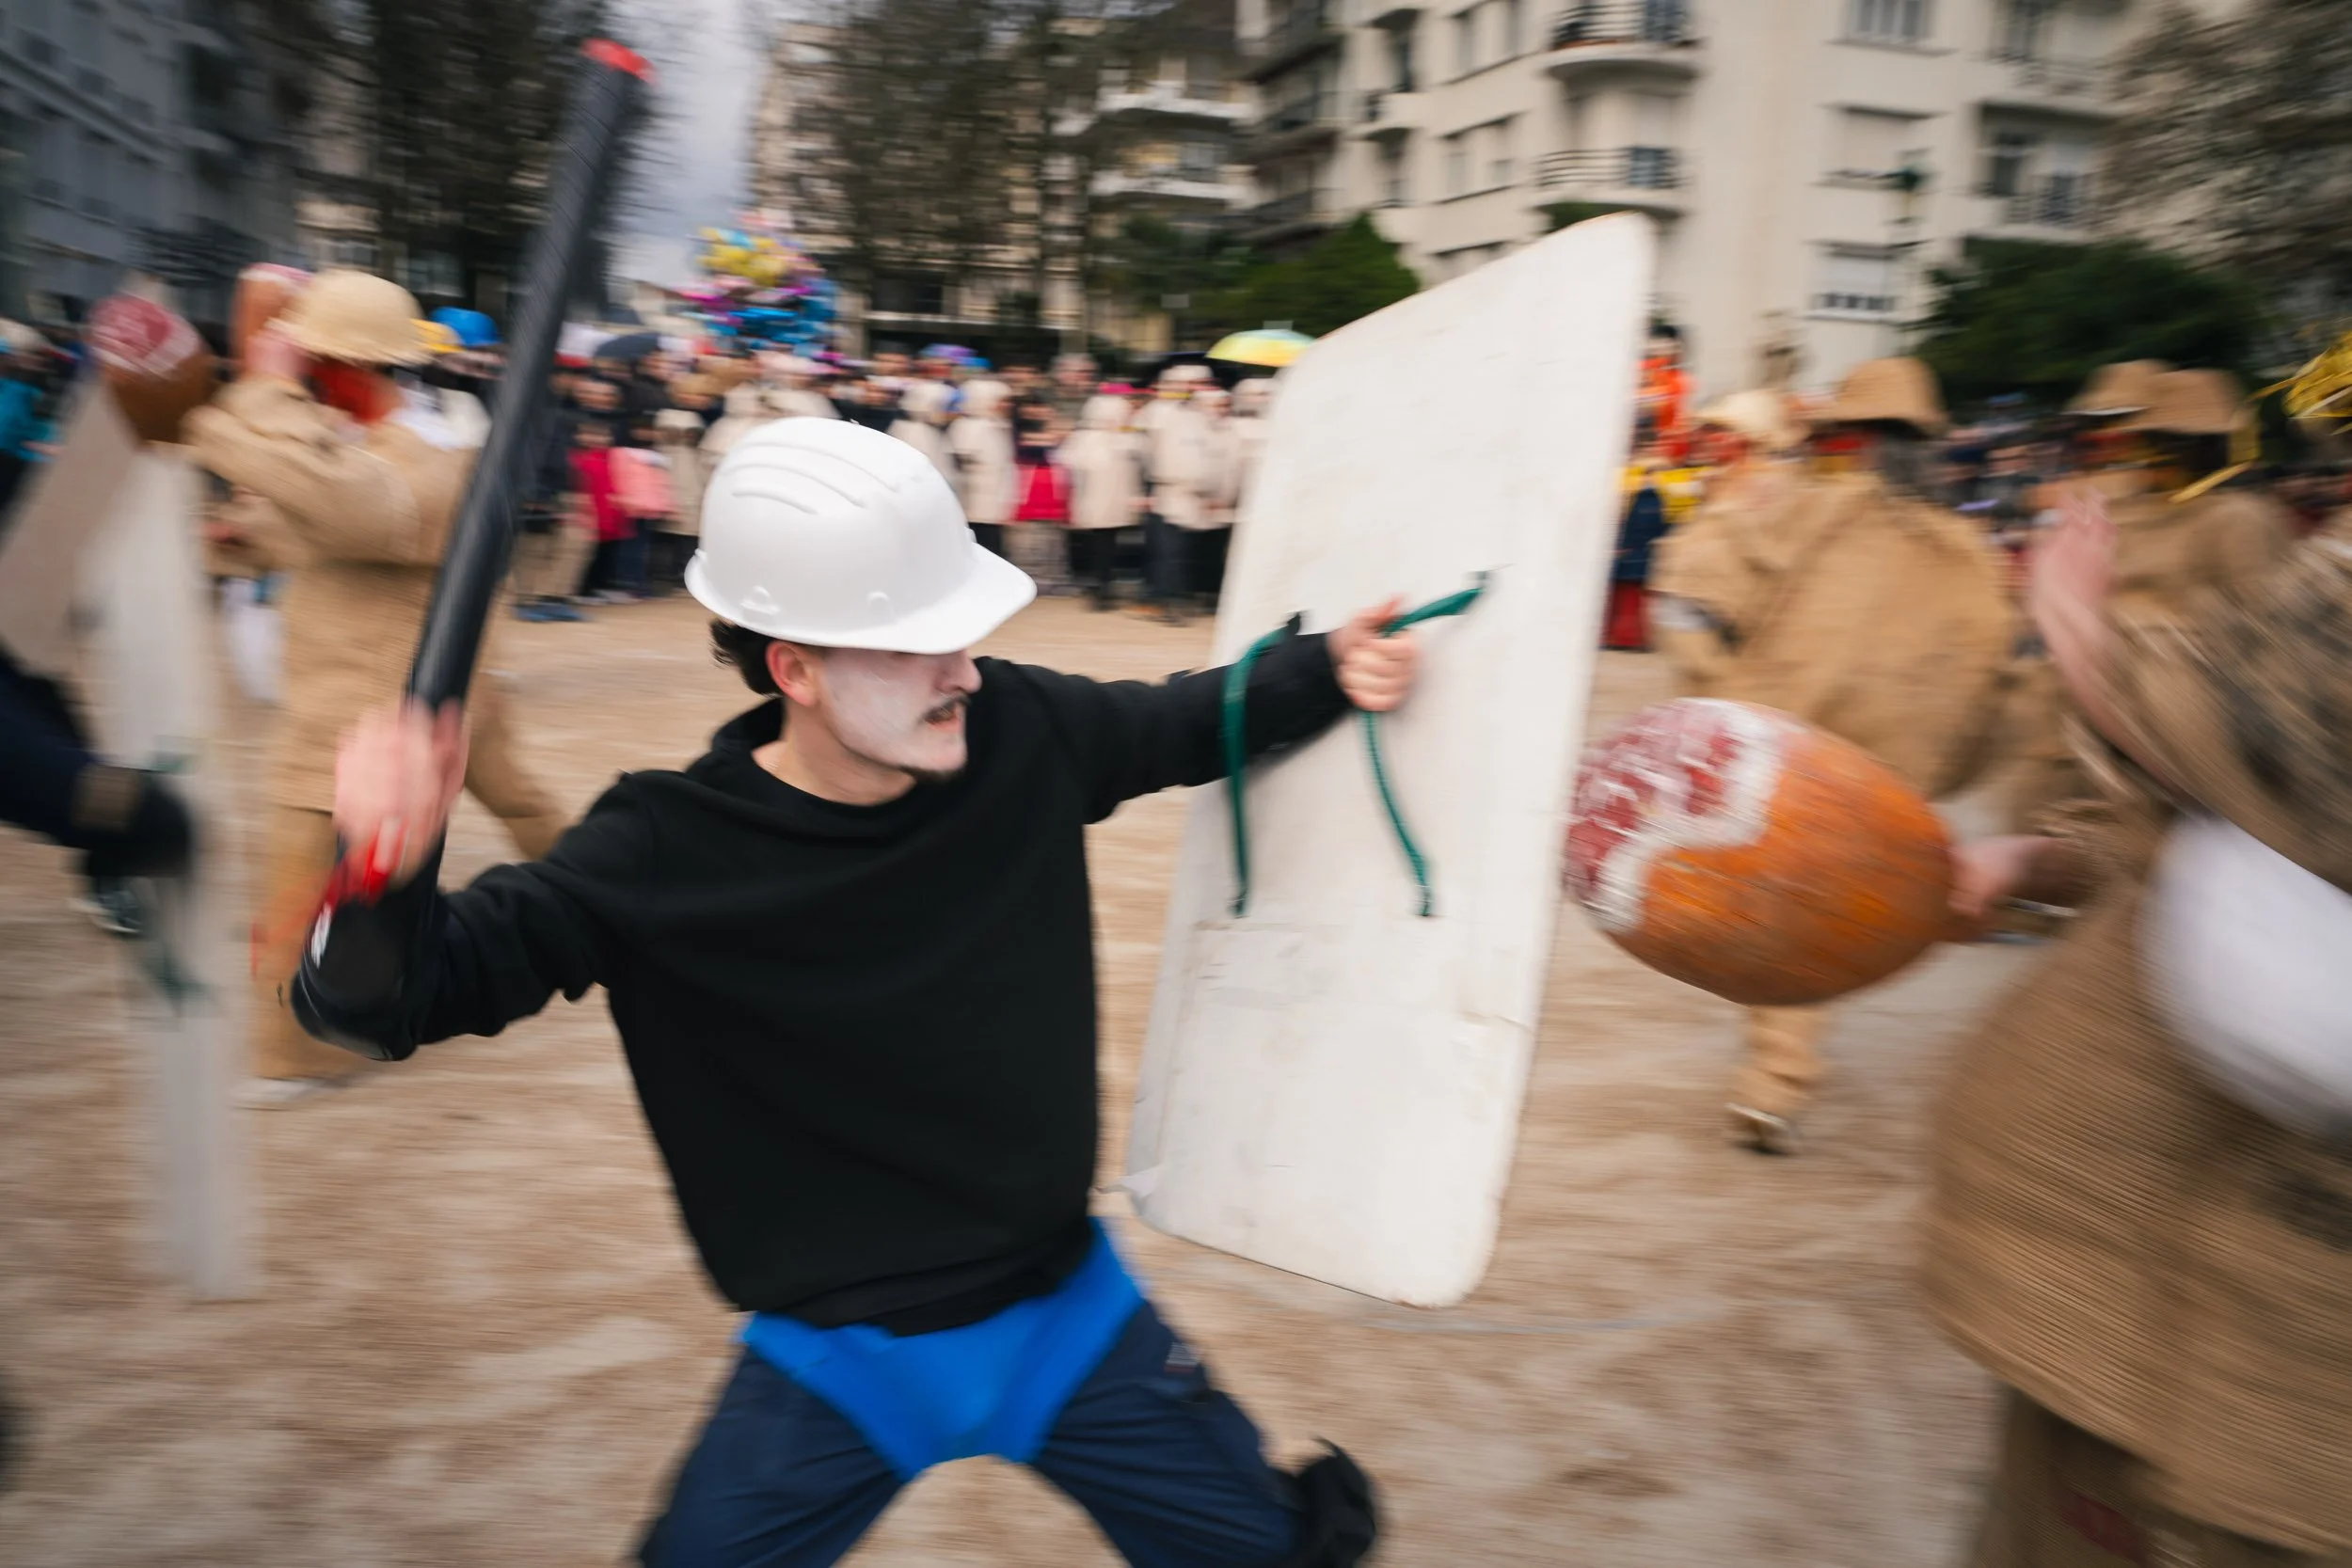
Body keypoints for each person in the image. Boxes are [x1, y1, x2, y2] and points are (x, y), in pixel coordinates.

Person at [289, 418, 1397, 1568]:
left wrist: (1324, 665)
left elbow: (1183, 719)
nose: (964, 670)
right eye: (918, 645)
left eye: (961, 636)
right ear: (794, 668)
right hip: (837, 1362)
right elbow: (388, 1001)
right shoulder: (663, 847)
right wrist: (378, 872)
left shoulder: (1017, 728)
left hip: (1069, 1313)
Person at [1930, 486, 2352, 1567]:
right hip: (2138, 1287)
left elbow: (2231, 737)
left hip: (2269, 1329)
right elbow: (2242, 830)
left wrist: (2070, 606)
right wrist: (2043, 859)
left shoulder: (2247, 548)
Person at [185, 269, 564, 1098]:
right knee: (527, 807)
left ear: (345, 367)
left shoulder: (435, 460)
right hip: (384, 702)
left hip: (374, 717)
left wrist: (261, 385)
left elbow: (353, 508)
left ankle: (299, 1050)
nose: (301, 377)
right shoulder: (348, 450)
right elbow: (299, 523)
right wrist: (234, 532)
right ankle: (300, 1045)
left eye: (310, 361)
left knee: (306, 870)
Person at [1650, 360, 2010, 1153]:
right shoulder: (1968, 549)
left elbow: (1702, 588)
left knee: (1789, 912)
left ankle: (1774, 1084)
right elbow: (1990, 664)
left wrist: (1713, 683)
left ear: (1854, 438)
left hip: (1799, 747)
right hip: (1887, 766)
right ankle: (1776, 1078)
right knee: (1811, 907)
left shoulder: (1816, 512)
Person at [1057, 391, 1144, 610]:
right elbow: (1070, 467)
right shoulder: (1086, 439)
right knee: (1095, 545)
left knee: (1108, 545)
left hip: (1115, 503)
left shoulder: (1126, 439)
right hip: (1093, 502)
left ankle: (1103, 587)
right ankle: (1098, 588)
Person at [1603, 454, 1669, 651]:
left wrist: (1623, 546)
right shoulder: (1656, 500)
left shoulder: (1639, 499)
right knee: (1632, 599)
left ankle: (1624, 638)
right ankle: (1630, 638)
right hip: (1642, 556)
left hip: (1630, 556)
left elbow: (1633, 529)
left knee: (1625, 599)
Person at [949, 376, 1018, 560]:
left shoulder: (997, 425)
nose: (1005, 406)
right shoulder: (969, 427)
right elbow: (962, 460)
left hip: (993, 502)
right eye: (1001, 401)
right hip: (975, 504)